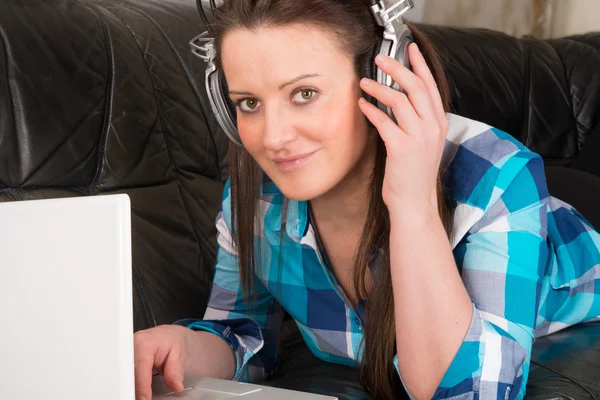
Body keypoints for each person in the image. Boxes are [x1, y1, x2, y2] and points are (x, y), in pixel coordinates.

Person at [133, 1, 600, 399]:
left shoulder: (498, 179)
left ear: (383, 79)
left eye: (305, 93)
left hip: (571, 220)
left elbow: (469, 391)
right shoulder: (256, 200)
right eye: (249, 103)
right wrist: (182, 348)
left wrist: (412, 207)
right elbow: (243, 333)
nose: (272, 138)